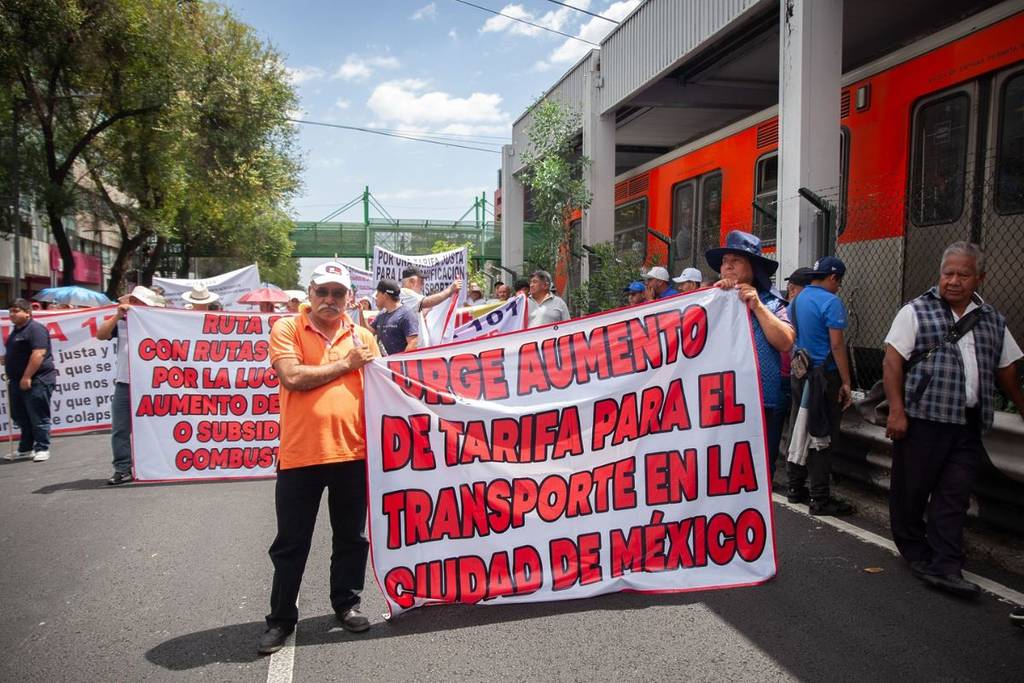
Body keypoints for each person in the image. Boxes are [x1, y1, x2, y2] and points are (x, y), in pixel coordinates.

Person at [883, 242, 1024, 598]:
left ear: (980, 278)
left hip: (968, 424)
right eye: (949, 273)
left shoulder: (993, 319)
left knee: (954, 495)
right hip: (922, 421)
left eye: (963, 274)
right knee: (911, 491)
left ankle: (946, 565)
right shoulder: (916, 311)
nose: (955, 281)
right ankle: (915, 549)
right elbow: (892, 362)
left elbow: (1007, 370)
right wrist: (897, 411)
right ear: (940, 275)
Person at [259, 261, 380, 655]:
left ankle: (346, 605)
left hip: (354, 453)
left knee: (351, 538)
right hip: (301, 455)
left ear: (349, 298)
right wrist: (346, 364)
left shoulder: (363, 335)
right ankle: (280, 620)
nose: (330, 300)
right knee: (291, 542)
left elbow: (385, 389)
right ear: (309, 294)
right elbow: (292, 377)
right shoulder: (287, 328)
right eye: (323, 292)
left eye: (338, 293)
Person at [707, 231, 795, 480]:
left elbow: (785, 341)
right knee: (716, 473)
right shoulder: (710, 299)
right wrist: (712, 298)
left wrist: (757, 306)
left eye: (736, 260)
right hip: (716, 403)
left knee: (755, 474)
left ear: (753, 267)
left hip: (760, 404)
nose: (728, 266)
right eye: (725, 260)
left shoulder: (772, 303)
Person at [786, 256, 855, 515]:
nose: (838, 287)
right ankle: (820, 498)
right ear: (834, 277)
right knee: (821, 435)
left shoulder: (797, 299)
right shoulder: (831, 302)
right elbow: (836, 345)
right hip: (823, 377)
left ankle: (794, 488)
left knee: (797, 428)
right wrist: (846, 382)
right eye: (839, 282)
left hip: (800, 373)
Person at [96, 286, 166, 484]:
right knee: (120, 428)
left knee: (156, 427)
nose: (136, 305)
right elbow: (101, 335)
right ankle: (123, 468)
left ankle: (158, 465)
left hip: (153, 384)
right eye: (134, 301)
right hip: (125, 383)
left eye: (140, 302)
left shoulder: (158, 321)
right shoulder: (121, 323)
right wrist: (117, 316)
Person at [1, 299, 57, 462]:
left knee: (37, 415)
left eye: (16, 311)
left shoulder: (35, 329)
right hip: (16, 381)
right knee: (19, 415)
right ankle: (25, 447)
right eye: (10, 311)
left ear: (27, 312)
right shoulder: (16, 331)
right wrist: (7, 358)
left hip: (37, 380)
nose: (12, 314)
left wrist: (27, 377)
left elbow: (38, 354)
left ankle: (42, 447)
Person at [371, 279, 419, 355]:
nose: (376, 296)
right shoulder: (381, 314)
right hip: (384, 364)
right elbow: (368, 333)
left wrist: (399, 363)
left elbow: (413, 343)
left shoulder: (407, 314)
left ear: (385, 295)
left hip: (398, 365)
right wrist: (359, 312)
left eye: (378, 293)